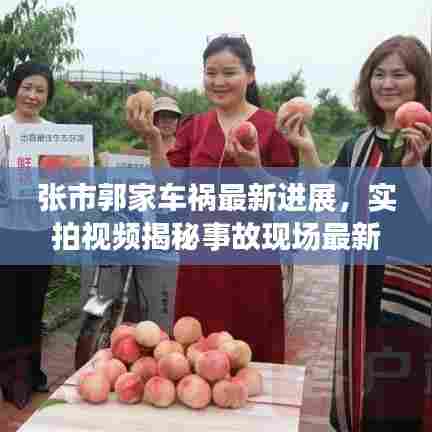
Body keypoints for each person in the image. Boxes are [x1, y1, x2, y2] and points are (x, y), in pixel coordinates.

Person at [280, 35, 432, 431]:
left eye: (400, 74)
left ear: (420, 81)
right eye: (379, 74)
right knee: (362, 393)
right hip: (361, 289)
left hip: (413, 298)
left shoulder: (428, 142)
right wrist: (307, 150)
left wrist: (415, 168)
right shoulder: (358, 145)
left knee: (401, 403)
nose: (387, 83)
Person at [127, 34, 298, 363]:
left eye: (229, 72)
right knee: (196, 352)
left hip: (252, 257)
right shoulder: (196, 126)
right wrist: (152, 140)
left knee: (249, 351)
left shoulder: (271, 127)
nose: (218, 81)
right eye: (211, 72)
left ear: (250, 75)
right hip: (200, 257)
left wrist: (254, 170)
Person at [0, 62, 56, 409]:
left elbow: (71, 177)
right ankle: (10, 376)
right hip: (6, 230)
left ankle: (32, 372)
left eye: (40, 90)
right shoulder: (1, 128)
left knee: (34, 304)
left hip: (41, 230)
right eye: (27, 87)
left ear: (47, 97)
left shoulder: (55, 134)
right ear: (15, 88)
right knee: (7, 304)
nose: (32, 96)